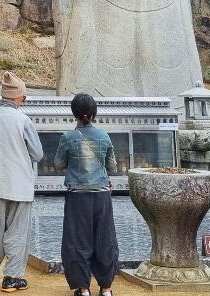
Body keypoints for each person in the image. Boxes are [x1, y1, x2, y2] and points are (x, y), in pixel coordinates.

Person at [0, 71, 43, 292]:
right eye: (23, 96)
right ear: (17, 97)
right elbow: (37, 154)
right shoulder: (23, 120)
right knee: (17, 232)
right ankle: (12, 278)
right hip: (19, 185)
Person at [54, 93, 119, 296]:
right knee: (105, 239)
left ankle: (83, 289)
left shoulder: (68, 137)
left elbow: (58, 164)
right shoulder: (104, 136)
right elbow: (112, 166)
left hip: (77, 197)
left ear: (74, 113)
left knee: (77, 241)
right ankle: (106, 288)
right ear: (94, 113)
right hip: (101, 196)